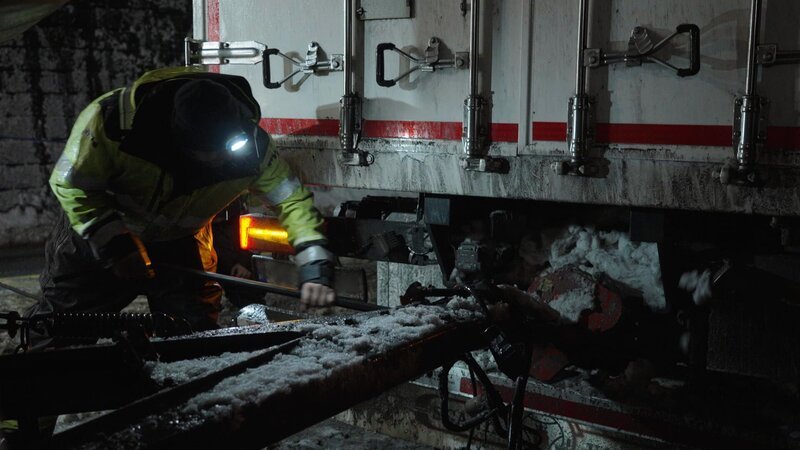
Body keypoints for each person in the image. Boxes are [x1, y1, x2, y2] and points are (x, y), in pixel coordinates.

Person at [29, 66, 336, 337]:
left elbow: (291, 200)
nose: (216, 160)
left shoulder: (252, 146)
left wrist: (314, 264)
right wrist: (115, 245)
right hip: (98, 233)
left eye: (222, 149)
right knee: (61, 329)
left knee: (192, 335)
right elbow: (71, 184)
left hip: (181, 244)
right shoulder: (110, 124)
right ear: (176, 137)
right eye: (205, 153)